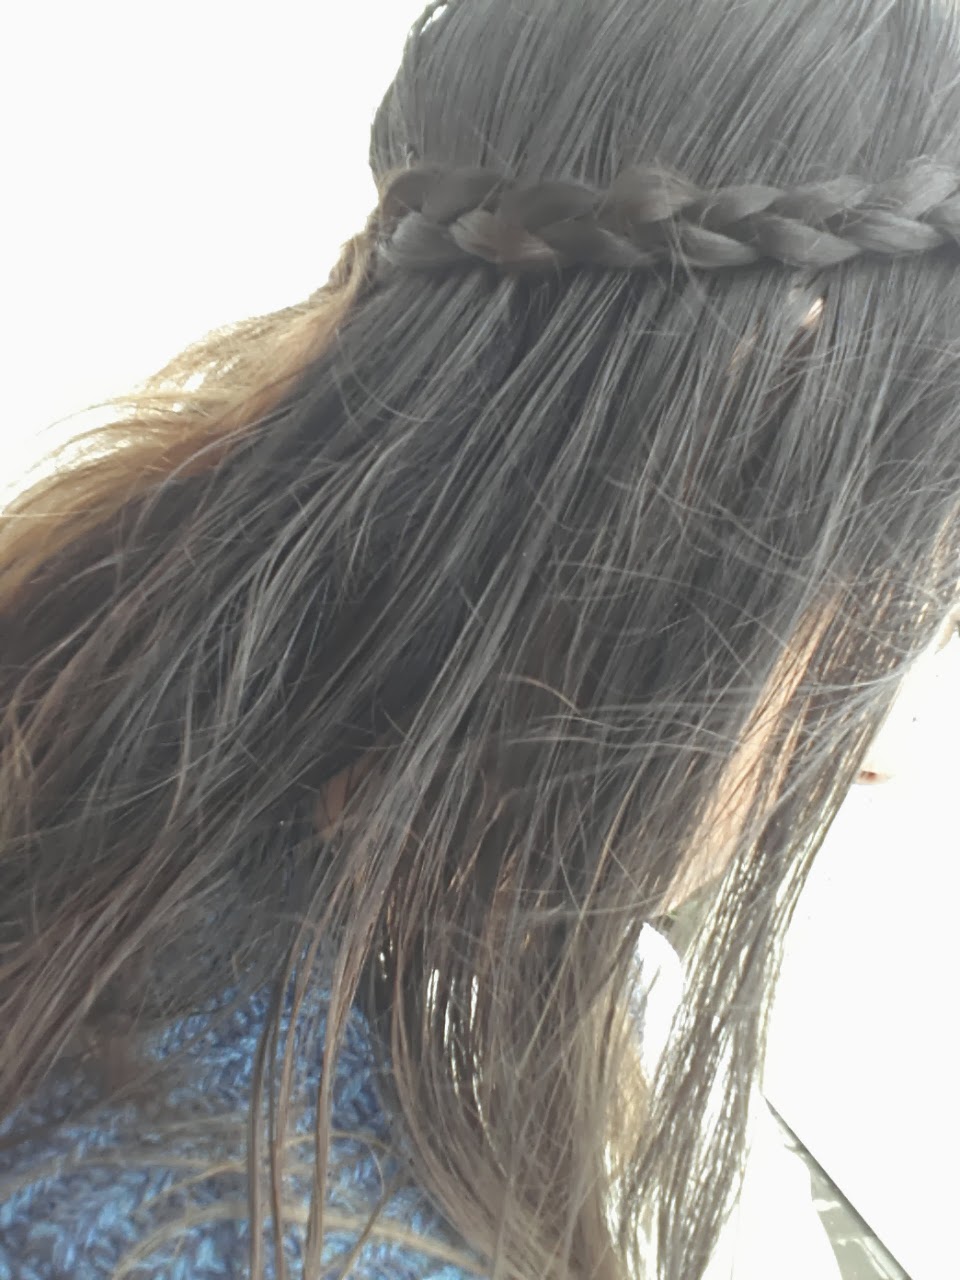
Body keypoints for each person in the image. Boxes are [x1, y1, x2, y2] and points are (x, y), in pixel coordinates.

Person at [1, 0, 959, 1275]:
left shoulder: (95, 655)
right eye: (899, 611)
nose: (882, 748)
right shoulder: (239, 1228)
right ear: (694, 493)